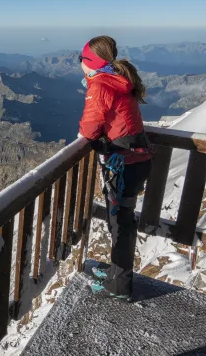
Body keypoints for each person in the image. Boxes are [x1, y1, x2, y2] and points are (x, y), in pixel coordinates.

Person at [77, 35, 153, 300]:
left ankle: (119, 286)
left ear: (90, 63)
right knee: (120, 220)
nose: (80, 65)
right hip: (136, 160)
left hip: (124, 163)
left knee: (119, 224)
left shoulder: (100, 85)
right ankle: (115, 275)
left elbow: (89, 128)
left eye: (81, 59)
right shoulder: (118, 80)